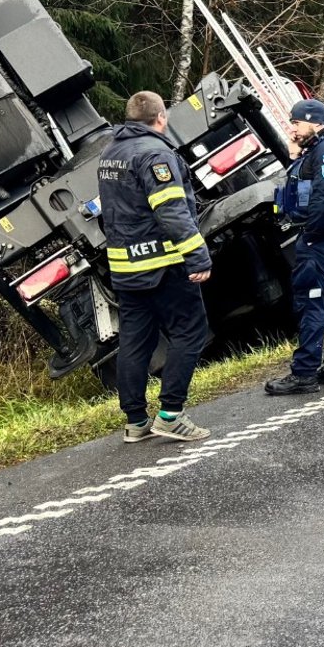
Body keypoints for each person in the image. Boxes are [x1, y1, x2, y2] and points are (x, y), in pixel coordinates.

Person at [97, 91, 213, 442]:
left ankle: (135, 422)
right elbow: (171, 210)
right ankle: (170, 414)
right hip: (163, 265)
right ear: (161, 118)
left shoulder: (110, 153)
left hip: (125, 266)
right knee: (190, 330)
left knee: (135, 341)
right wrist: (197, 255)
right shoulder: (156, 154)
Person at [265, 98, 324, 395]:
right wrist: (295, 152)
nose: (292, 128)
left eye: (296, 123)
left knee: (311, 301)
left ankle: (305, 373)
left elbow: (322, 194)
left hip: (321, 239)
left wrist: (309, 232)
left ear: (314, 121)